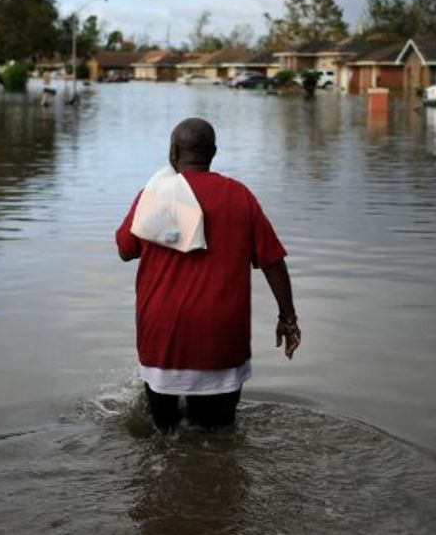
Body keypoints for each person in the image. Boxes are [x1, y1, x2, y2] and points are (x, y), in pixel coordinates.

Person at [115, 117, 300, 433]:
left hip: (162, 336)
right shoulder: (239, 196)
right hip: (221, 337)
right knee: (219, 436)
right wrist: (288, 318)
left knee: (164, 438)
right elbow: (273, 262)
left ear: (173, 152)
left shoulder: (154, 195)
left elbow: (125, 249)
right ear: (213, 152)